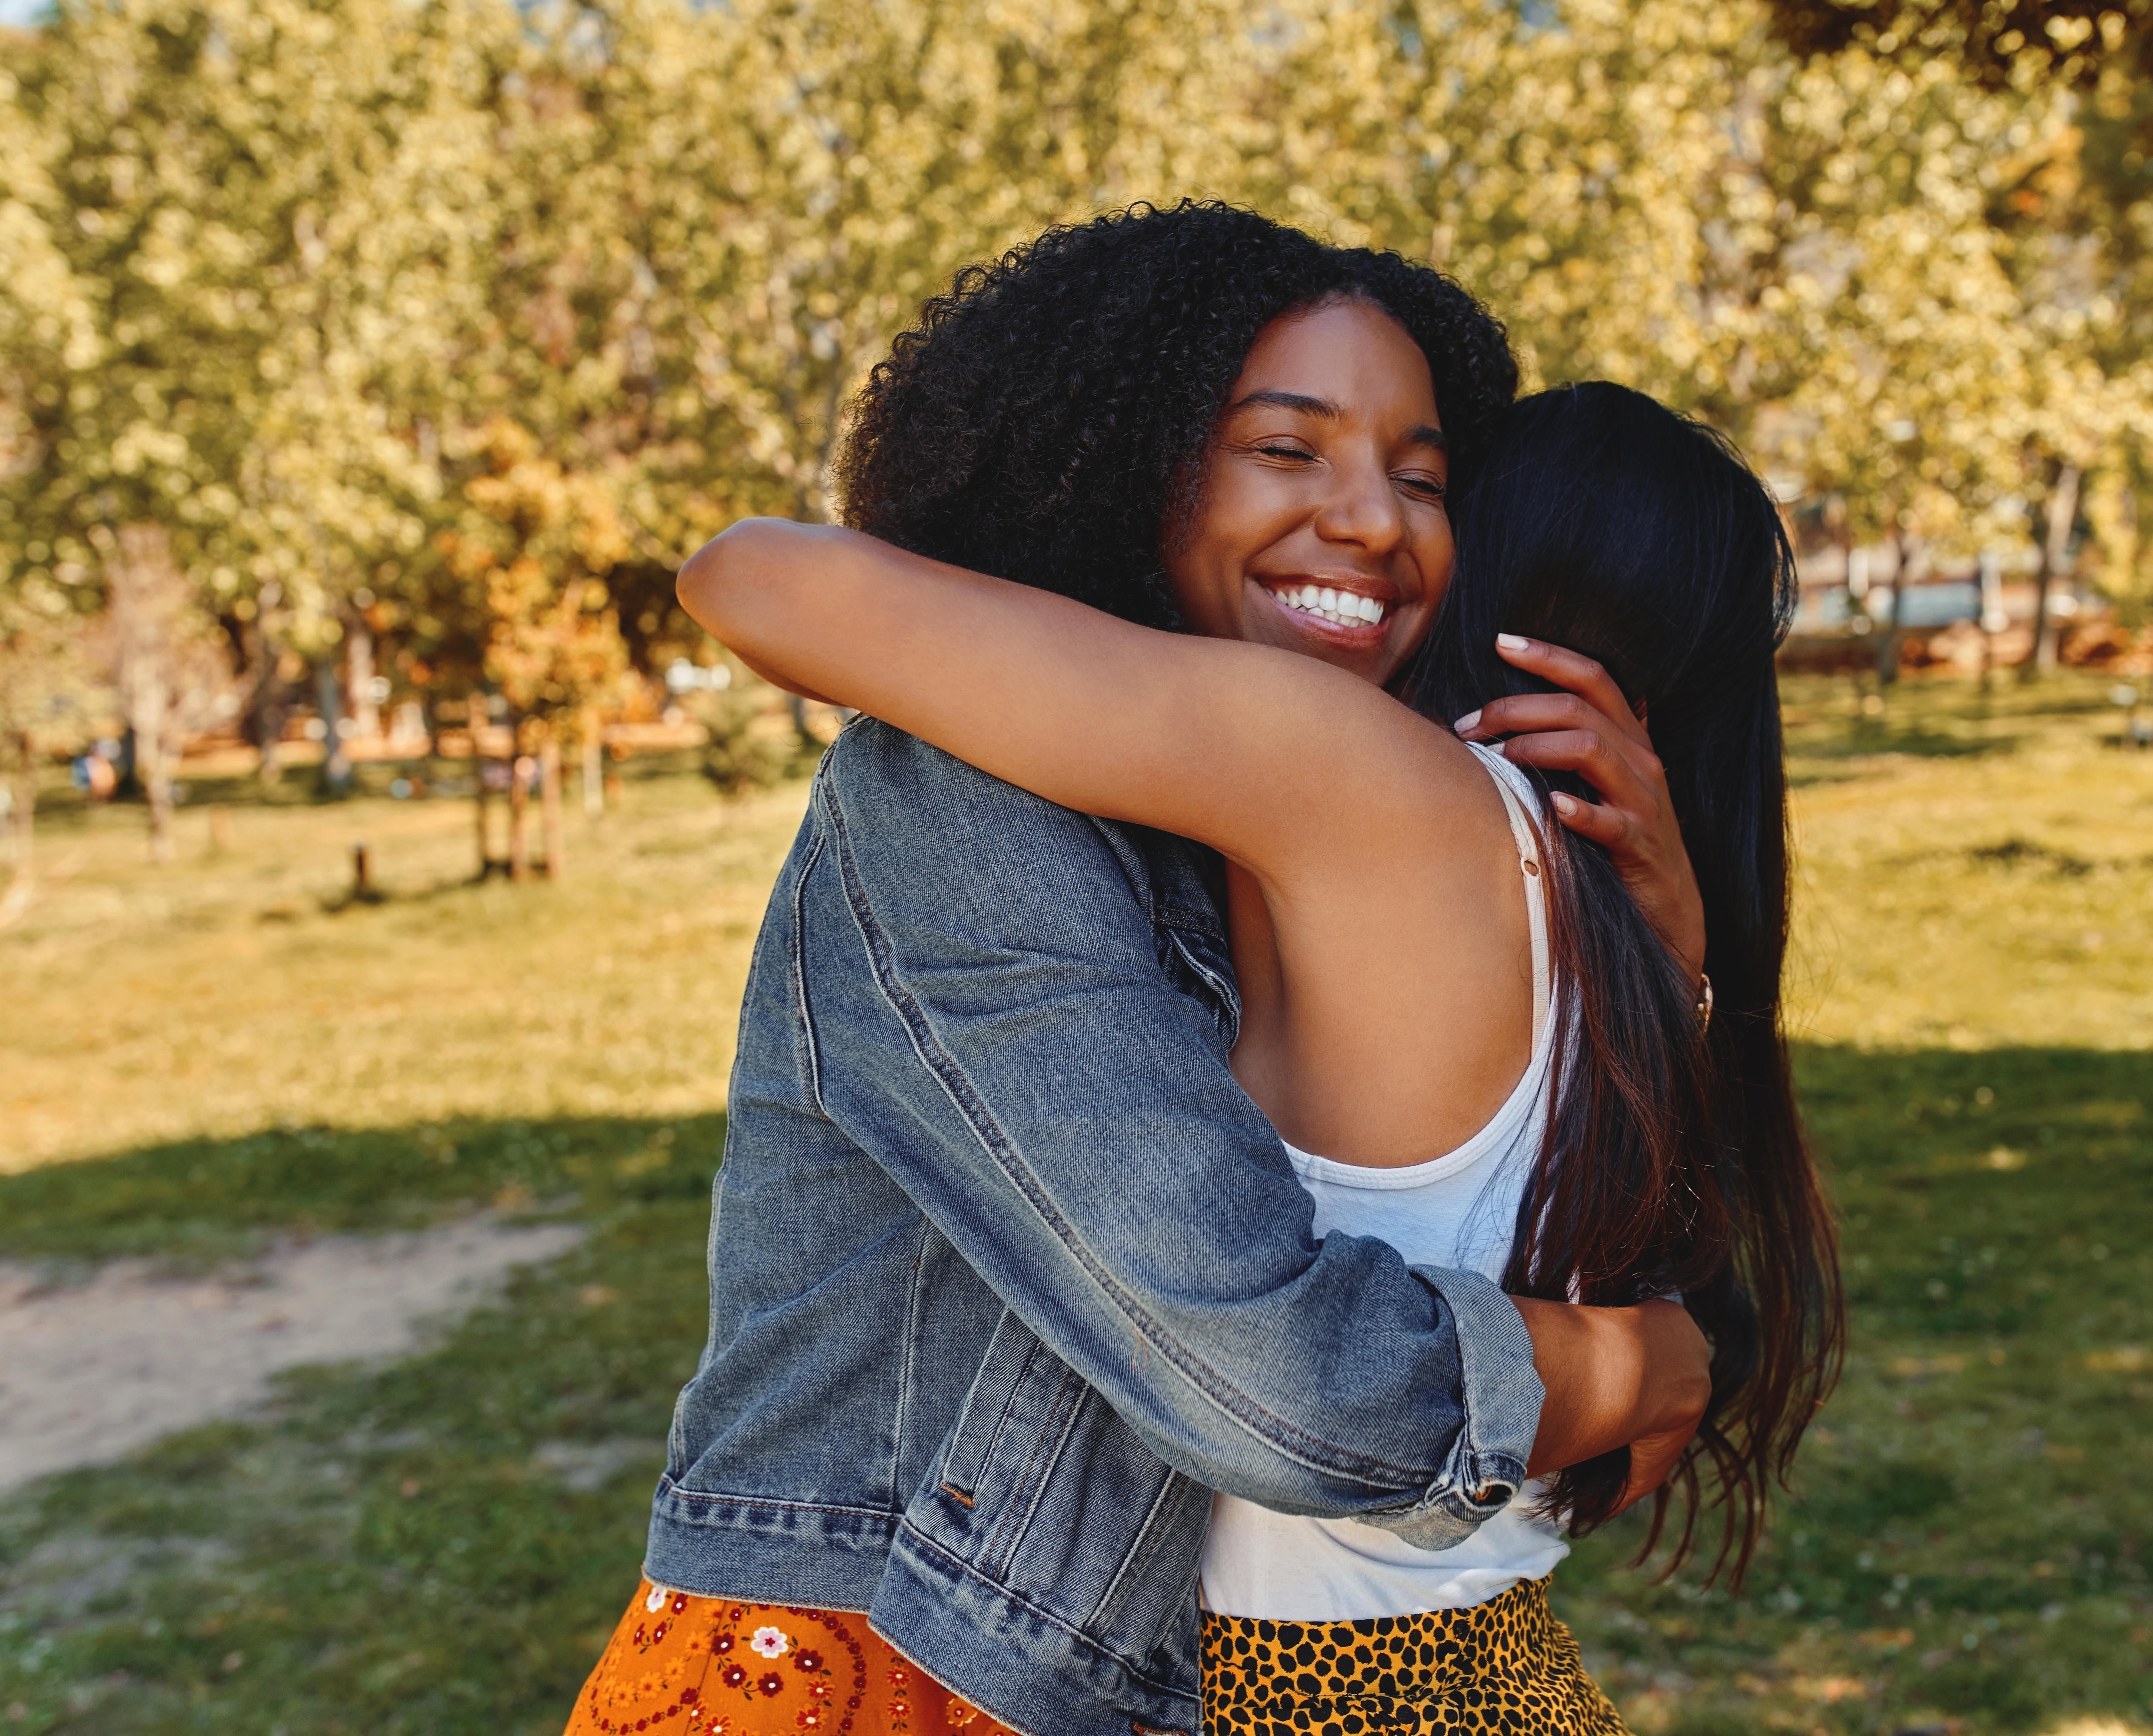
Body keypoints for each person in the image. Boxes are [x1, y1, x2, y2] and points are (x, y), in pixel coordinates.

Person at [563, 206, 1726, 1736]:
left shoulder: (1305, 827)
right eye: (1288, 450)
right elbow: (1287, 1387)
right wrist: (1629, 1366)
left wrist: (1668, 961)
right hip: (880, 1679)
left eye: (1424, 475)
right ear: (1119, 464)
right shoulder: (962, 802)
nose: (1376, 521)